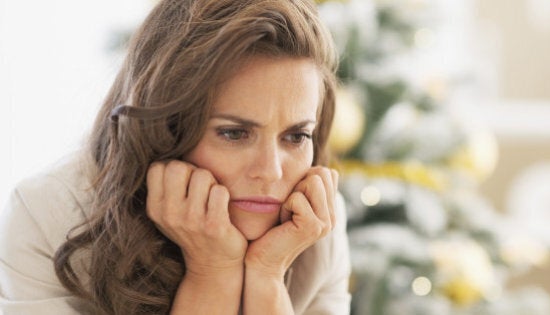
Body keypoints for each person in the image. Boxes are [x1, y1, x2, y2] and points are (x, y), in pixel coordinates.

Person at [0, 0, 352, 314]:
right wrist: (211, 273)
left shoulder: (314, 225)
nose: (271, 172)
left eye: (296, 136)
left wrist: (267, 276)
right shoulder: (46, 215)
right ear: (164, 128)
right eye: (233, 133)